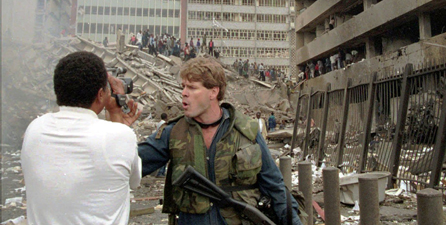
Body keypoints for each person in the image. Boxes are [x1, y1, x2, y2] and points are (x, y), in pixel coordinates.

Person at [136, 57, 303, 225]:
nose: (184, 93)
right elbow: (128, 165)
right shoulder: (173, 133)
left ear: (213, 92)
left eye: (192, 87)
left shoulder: (246, 131)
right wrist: (118, 132)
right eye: (183, 87)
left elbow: (275, 187)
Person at [21, 51, 141, 224]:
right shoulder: (119, 136)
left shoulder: (35, 129)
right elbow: (133, 181)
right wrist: (115, 112)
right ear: (101, 94)